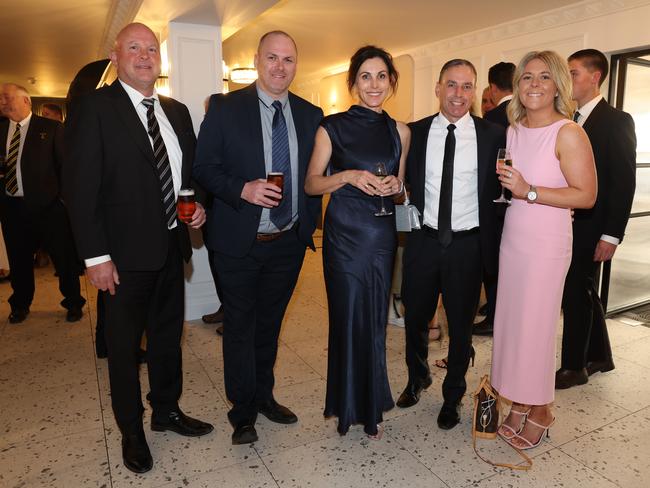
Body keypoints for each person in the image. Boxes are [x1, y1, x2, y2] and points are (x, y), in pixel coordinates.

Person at [64, 23, 213, 474]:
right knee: (124, 348)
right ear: (116, 56)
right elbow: (81, 188)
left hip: (172, 246)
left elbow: (191, 178)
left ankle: (166, 411)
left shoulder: (177, 111)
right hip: (122, 258)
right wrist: (96, 258)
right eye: (135, 48)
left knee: (168, 339)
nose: (146, 56)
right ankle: (132, 430)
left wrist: (199, 207)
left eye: (152, 49)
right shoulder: (95, 108)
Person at [193, 31, 323, 445]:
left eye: (288, 59)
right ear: (256, 60)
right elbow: (204, 168)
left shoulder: (310, 113)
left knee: (269, 326)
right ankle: (242, 410)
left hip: (288, 241)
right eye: (272, 58)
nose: (280, 67)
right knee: (240, 329)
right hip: (239, 243)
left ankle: (264, 397)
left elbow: (318, 173)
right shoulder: (227, 108)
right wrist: (242, 189)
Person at [491, 50, 597, 450]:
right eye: (526, 78)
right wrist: (514, 190)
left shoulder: (568, 132)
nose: (533, 84)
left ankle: (541, 408)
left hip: (547, 241)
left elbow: (586, 195)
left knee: (535, 327)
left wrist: (528, 191)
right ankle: (519, 401)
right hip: (515, 236)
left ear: (557, 86)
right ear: (518, 86)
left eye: (543, 77)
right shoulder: (514, 128)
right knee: (513, 323)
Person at [305, 45, 409, 438]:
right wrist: (347, 176)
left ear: (391, 81)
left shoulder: (401, 131)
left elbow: (400, 190)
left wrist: (398, 186)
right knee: (347, 318)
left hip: (381, 234)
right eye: (365, 76)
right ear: (353, 83)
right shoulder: (330, 127)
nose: (374, 84)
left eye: (382, 76)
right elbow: (312, 184)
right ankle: (347, 406)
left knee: (375, 321)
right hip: (345, 234)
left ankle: (370, 407)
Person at [396, 59, 504, 431]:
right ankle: (417, 376)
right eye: (452, 85)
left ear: (475, 92)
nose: (459, 94)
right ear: (438, 88)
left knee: (461, 325)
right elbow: (401, 182)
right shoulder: (416, 132)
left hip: (467, 245)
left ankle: (453, 393)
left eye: (467, 86)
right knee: (414, 317)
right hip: (424, 241)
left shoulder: (493, 136)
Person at [556, 49, 637, 389]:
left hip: (595, 226)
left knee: (575, 291)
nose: (567, 80)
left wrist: (612, 235)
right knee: (584, 290)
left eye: (572, 73)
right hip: (568, 223)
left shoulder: (616, 120)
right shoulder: (569, 120)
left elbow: (623, 181)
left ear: (594, 76)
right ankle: (600, 355)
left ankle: (575, 367)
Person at [0, 83, 85, 324]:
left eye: (6, 97)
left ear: (26, 101)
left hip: (49, 208)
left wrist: (63, 202)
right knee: (18, 260)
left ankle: (73, 303)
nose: (2, 102)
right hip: (12, 207)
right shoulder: (1, 130)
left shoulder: (51, 128)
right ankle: (20, 304)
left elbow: (66, 168)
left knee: (64, 259)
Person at [474, 61, 516, 337]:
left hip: (494, 203)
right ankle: (499, 310)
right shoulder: (524, 114)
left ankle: (495, 315)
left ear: (492, 87)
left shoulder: (492, 121)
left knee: (492, 261)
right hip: (520, 201)